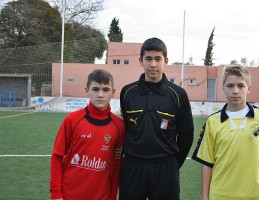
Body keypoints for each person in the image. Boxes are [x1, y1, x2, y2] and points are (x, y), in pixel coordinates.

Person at [119, 37, 194, 200]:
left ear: (166, 61)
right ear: (141, 61)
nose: (153, 64)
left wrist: (172, 164)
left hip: (165, 167)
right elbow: (127, 129)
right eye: (148, 59)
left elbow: (186, 135)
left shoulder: (179, 94)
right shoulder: (127, 92)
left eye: (158, 59)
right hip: (133, 166)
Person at [192, 64, 259, 200]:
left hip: (255, 195)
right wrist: (204, 197)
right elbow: (207, 164)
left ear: (248, 88)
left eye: (241, 86)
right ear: (223, 88)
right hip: (220, 195)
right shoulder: (212, 121)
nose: (235, 91)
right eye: (230, 86)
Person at [50, 69, 125, 200]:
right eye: (95, 89)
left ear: (113, 93)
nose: (100, 95)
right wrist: (56, 194)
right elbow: (57, 157)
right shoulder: (72, 120)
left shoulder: (119, 126)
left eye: (106, 90)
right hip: (69, 195)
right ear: (87, 90)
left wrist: (112, 196)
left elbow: (116, 164)